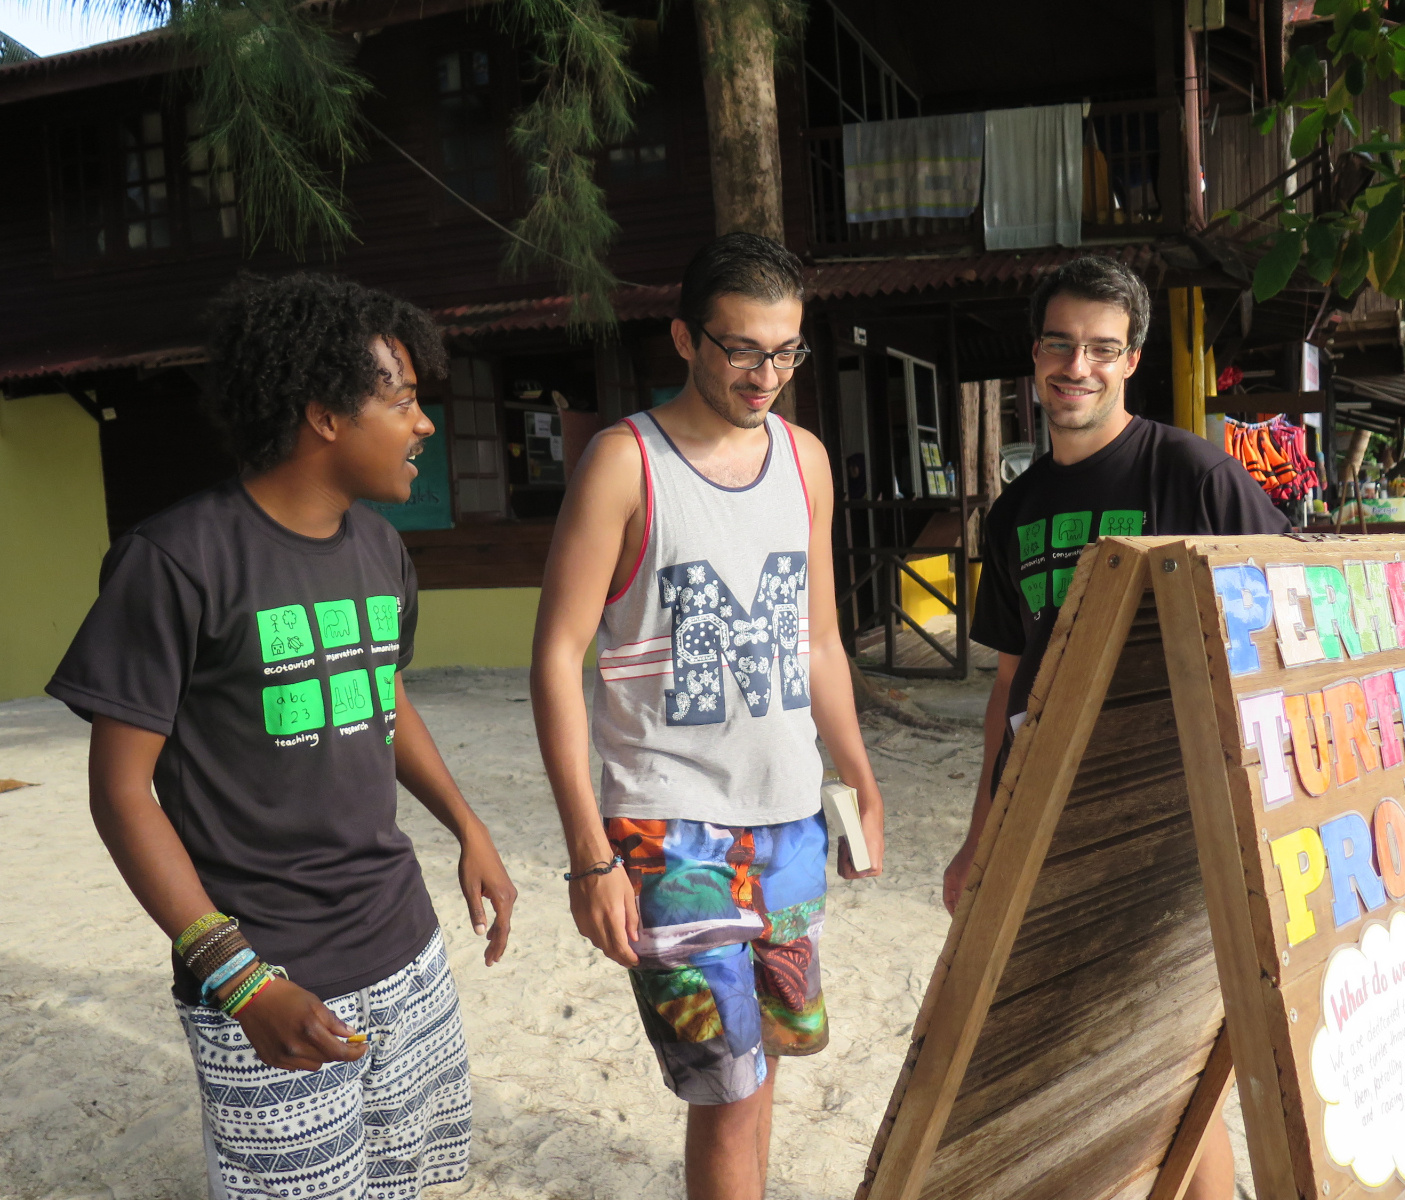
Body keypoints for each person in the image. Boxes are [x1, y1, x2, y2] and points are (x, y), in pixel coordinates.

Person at [47, 274, 518, 1200]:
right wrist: (241, 981)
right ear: (325, 417)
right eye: (405, 399)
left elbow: (379, 695)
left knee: (403, 1185)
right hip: (267, 973)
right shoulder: (176, 560)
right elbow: (120, 794)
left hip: (404, 943)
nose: (424, 424)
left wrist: (468, 826)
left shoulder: (381, 548)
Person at [531, 233, 884, 1200]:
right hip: (666, 827)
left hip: (790, 816)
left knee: (766, 1058)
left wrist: (855, 772)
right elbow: (558, 657)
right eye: (741, 349)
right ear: (686, 338)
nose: (765, 374)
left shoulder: (803, 460)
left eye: (786, 351)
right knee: (723, 1089)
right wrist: (588, 852)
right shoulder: (624, 463)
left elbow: (818, 639)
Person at [943, 256, 1289, 1200]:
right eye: (1061, 343)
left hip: (1176, 821)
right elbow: (1009, 685)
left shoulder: (1194, 472)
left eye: (1101, 348)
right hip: (1050, 818)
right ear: (1036, 353)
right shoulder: (1013, 514)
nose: (1077, 366)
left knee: (1173, 1051)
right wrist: (981, 837)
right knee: (1078, 1046)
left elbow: (1281, 620)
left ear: (1131, 360)